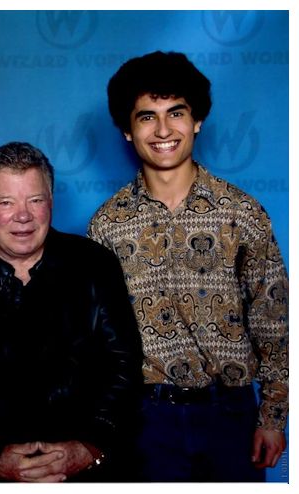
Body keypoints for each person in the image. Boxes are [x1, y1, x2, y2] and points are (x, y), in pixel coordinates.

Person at [88, 51, 289, 482]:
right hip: (146, 420)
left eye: (176, 113)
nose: (163, 130)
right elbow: (98, 341)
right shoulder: (108, 225)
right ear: (127, 130)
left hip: (231, 414)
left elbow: (275, 320)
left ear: (196, 120)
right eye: (147, 117)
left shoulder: (242, 213)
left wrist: (273, 416)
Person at [0, 142, 143, 482]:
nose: (23, 216)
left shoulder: (94, 266)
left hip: (83, 471)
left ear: (51, 203)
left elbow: (123, 366)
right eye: (6, 202)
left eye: (35, 200)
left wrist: (89, 447)